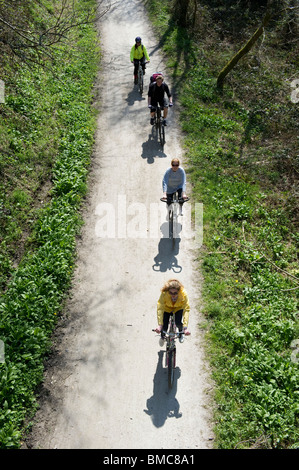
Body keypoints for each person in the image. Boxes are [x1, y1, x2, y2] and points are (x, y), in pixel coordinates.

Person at [155, 279, 190, 345]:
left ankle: (181, 333)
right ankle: (162, 336)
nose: (173, 295)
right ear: (168, 291)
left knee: (178, 323)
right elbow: (160, 307)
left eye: (175, 293)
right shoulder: (164, 293)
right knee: (164, 326)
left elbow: (186, 309)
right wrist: (160, 325)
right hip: (167, 308)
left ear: (179, 291)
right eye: (170, 293)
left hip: (178, 308)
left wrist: (185, 327)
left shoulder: (184, 295)